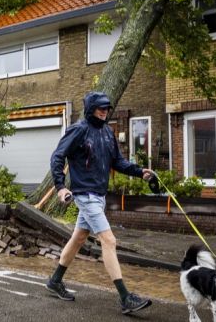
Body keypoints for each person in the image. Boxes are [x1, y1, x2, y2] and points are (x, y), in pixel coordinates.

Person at [46, 91, 154, 315]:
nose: (105, 111)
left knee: (78, 239)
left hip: (99, 196)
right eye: (100, 107)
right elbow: (57, 156)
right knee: (109, 240)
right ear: (90, 109)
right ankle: (125, 298)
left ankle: (55, 281)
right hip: (84, 194)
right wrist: (60, 186)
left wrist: (138, 171)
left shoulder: (107, 132)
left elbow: (118, 162)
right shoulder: (78, 129)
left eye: (107, 107)